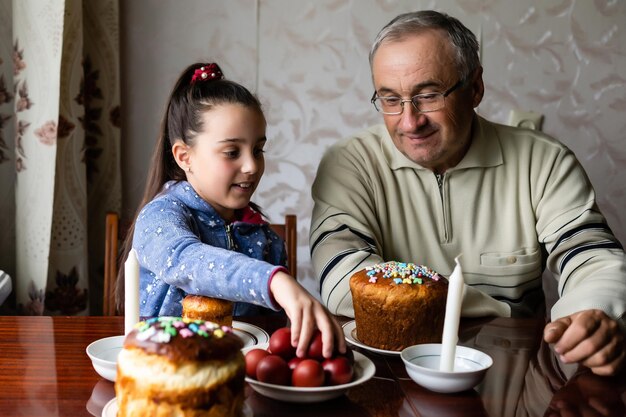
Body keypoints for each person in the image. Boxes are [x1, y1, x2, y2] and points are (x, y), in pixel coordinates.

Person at [310, 10, 626, 375]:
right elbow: (341, 280)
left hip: (515, 377)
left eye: (428, 95)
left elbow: (593, 258)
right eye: (391, 99)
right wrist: (498, 311)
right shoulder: (348, 163)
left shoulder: (545, 162)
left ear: (475, 88)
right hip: (389, 373)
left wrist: (591, 314)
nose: (410, 121)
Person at [117, 62, 344, 358]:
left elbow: (272, 341)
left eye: (258, 150)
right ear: (185, 156)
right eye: (232, 152)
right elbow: (184, 259)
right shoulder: (160, 217)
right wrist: (274, 280)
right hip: (166, 371)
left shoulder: (266, 241)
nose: (251, 166)